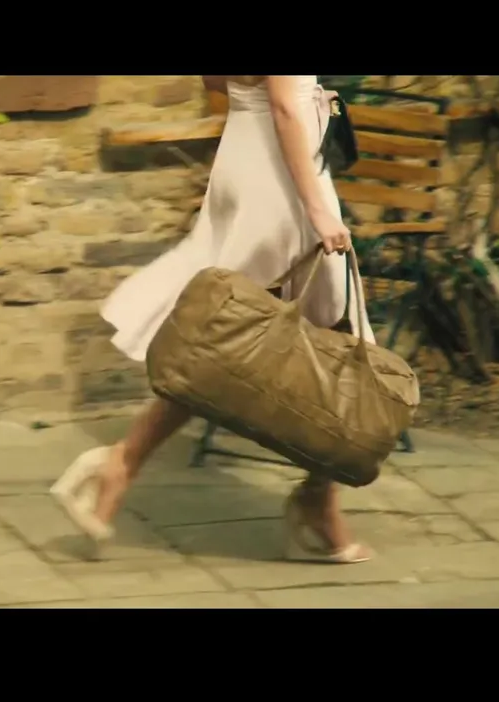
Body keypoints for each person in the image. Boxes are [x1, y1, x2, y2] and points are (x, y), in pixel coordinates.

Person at [50, 75, 376, 563]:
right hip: (283, 181)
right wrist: (316, 209)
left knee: (220, 342)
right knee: (341, 343)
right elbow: (284, 107)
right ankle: (316, 507)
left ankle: (119, 466)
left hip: (247, 160)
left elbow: (218, 82)